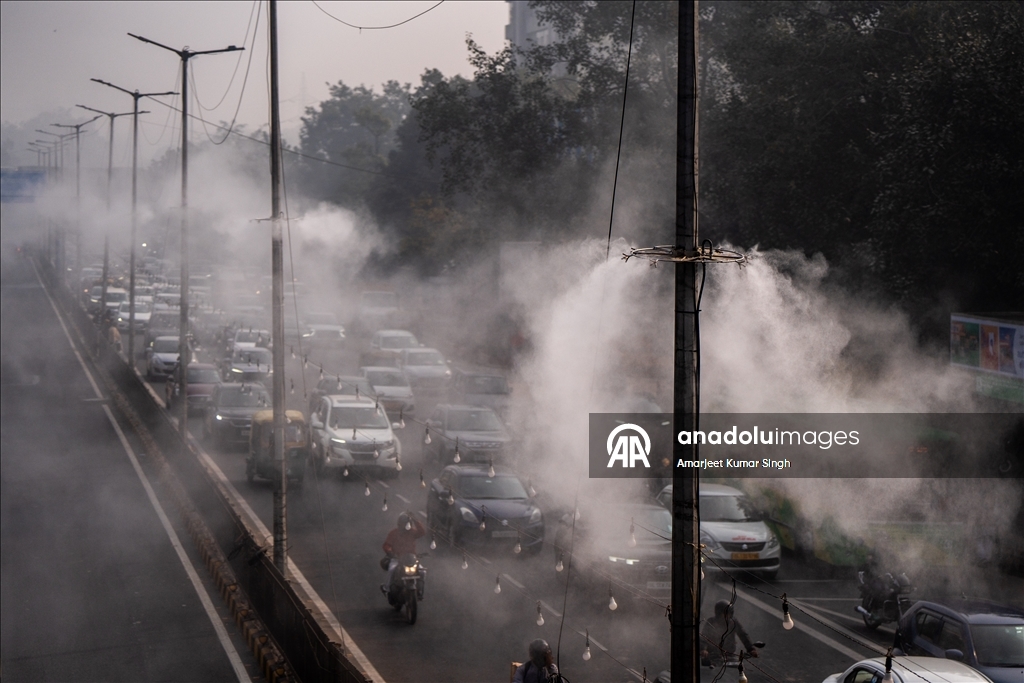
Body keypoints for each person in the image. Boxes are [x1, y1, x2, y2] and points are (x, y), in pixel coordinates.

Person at [700, 600, 758, 666]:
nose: (727, 616)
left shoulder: (733, 622)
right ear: (719, 613)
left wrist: (751, 649)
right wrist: (703, 649)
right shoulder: (711, 622)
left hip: (729, 656)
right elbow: (704, 637)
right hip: (712, 654)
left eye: (729, 614)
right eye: (725, 614)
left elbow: (743, 635)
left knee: (739, 667)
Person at [381, 512, 425, 593]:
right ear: (399, 523)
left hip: (411, 559)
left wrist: (416, 521)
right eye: (404, 523)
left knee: (422, 571)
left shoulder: (412, 532)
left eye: (408, 523)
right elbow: (386, 545)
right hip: (397, 559)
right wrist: (390, 552)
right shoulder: (394, 533)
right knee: (392, 569)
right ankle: (386, 588)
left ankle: (420, 591)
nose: (406, 525)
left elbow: (422, 532)